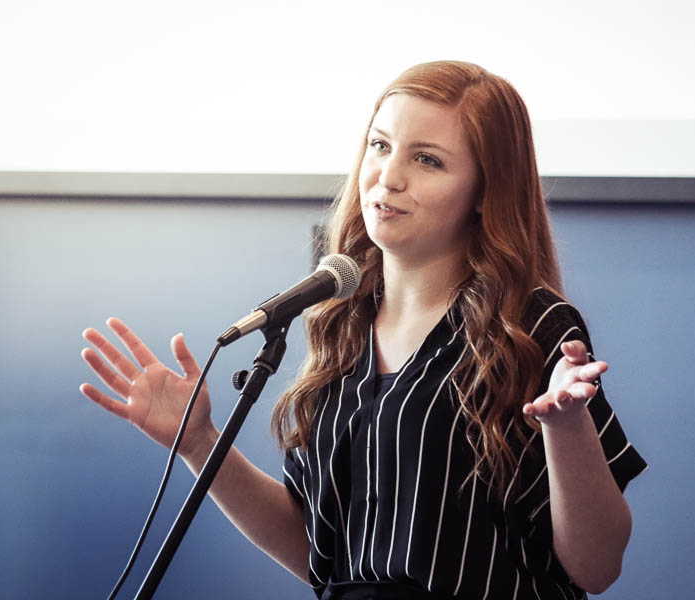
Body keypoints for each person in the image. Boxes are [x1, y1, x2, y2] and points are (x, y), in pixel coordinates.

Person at [80, 60, 646, 600]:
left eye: (427, 160)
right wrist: (201, 442)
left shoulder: (530, 325)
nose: (388, 176)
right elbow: (319, 558)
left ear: (484, 191)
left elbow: (596, 567)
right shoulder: (341, 327)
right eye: (380, 145)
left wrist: (568, 426)